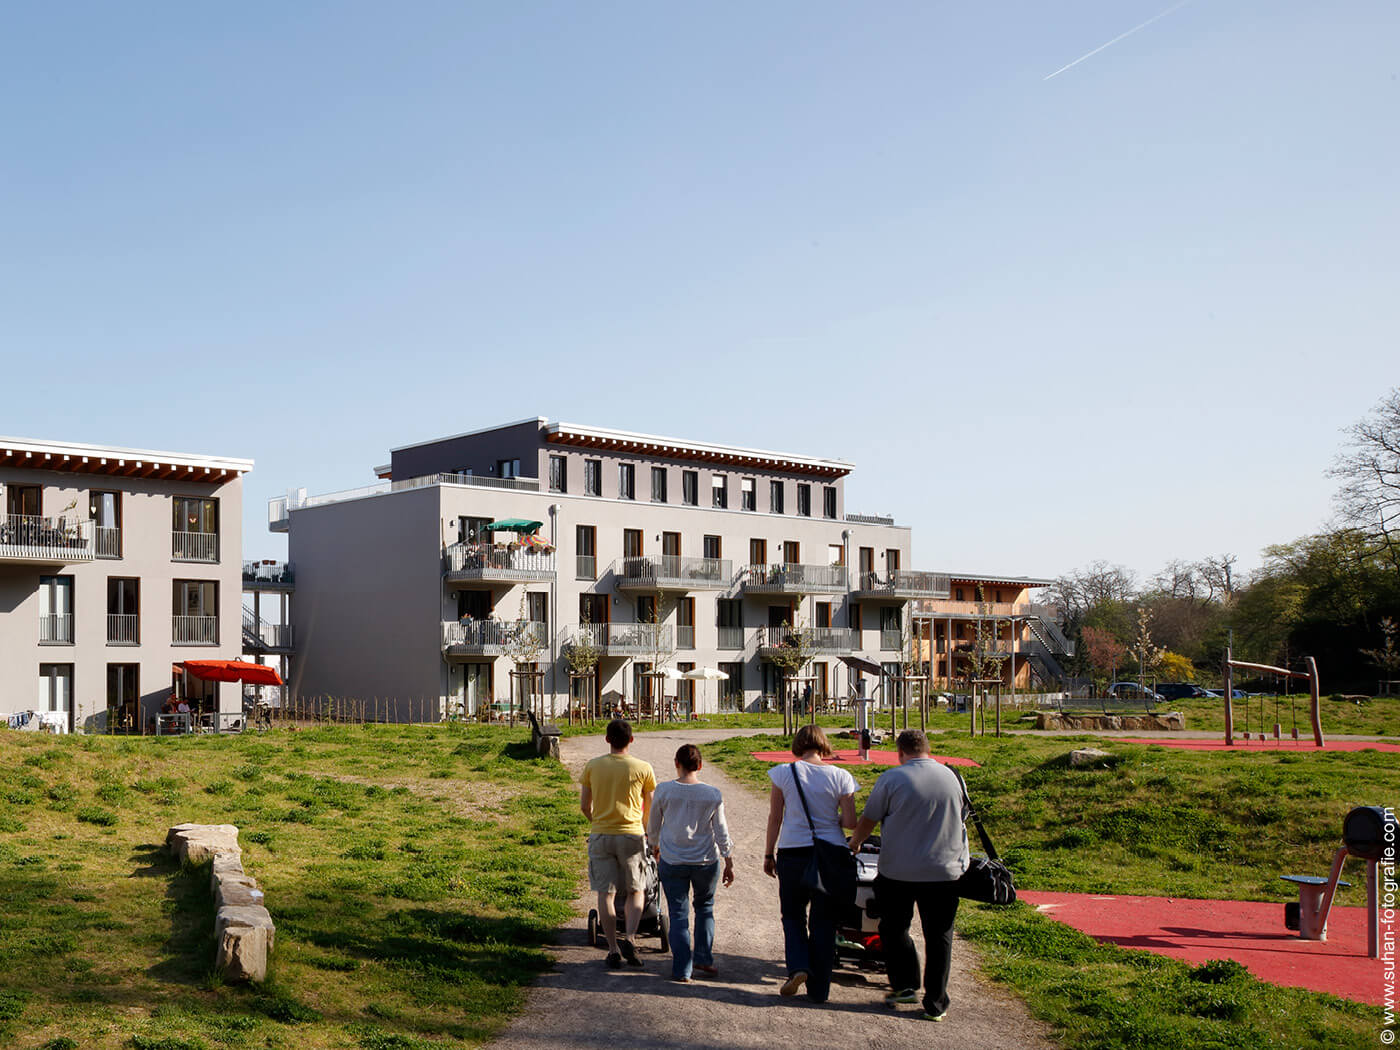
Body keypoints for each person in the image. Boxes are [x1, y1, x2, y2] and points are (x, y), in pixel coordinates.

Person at [849, 728, 970, 1023]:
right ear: (928, 749)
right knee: (939, 935)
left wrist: (854, 843)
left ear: (899, 752)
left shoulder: (892, 778)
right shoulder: (952, 777)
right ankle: (936, 1002)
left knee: (893, 928)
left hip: (898, 871)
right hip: (945, 871)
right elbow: (962, 816)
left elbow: (869, 819)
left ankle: (904, 985)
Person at [762, 724, 857, 1003]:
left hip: (792, 851)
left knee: (792, 915)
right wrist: (831, 821)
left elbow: (775, 817)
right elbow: (851, 822)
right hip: (830, 853)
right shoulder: (841, 776)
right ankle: (820, 990)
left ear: (798, 745)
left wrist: (769, 854)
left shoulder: (783, 773)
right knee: (824, 922)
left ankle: (798, 966)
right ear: (824, 744)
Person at [648, 743, 735, 983]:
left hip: (673, 860)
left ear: (676, 763)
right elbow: (721, 831)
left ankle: (682, 969)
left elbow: (653, 827)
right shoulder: (712, 794)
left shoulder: (664, 791)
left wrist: (654, 848)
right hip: (706, 860)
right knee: (705, 907)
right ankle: (704, 958)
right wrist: (728, 860)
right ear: (700, 765)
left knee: (677, 913)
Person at [580, 719, 657, 969]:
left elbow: (584, 806)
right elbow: (650, 807)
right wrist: (646, 832)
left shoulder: (593, 766)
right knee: (636, 890)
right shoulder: (643, 768)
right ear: (631, 740)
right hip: (632, 835)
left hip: (602, 834)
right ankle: (631, 938)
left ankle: (612, 947)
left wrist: (597, 822)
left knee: (607, 893)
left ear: (607, 740)